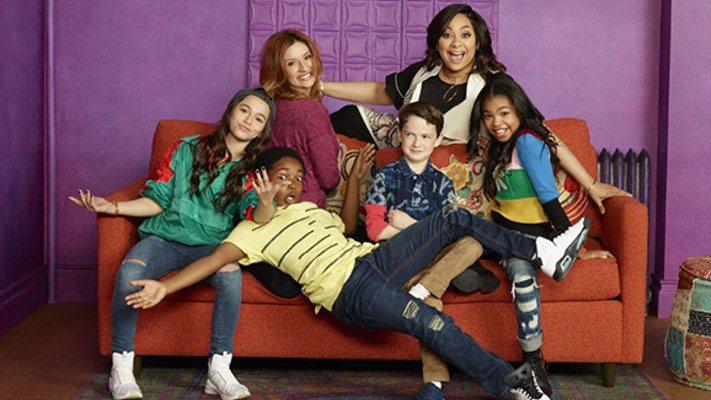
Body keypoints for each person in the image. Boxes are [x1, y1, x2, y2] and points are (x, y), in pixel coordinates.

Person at [123, 147, 594, 400]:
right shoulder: (249, 232)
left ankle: (543, 253)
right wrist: (164, 285)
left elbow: (348, 226)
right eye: (280, 177)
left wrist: (352, 182)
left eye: (296, 177)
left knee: (453, 218)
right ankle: (512, 385)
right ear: (259, 181)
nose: (291, 185)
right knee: (433, 323)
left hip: (370, 261)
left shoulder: (310, 210)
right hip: (349, 293)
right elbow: (209, 262)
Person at [68, 87, 286, 400]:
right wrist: (113, 207)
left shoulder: (254, 172)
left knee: (230, 274)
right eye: (244, 110)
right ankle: (121, 368)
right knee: (129, 273)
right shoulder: (186, 148)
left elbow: (258, 217)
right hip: (164, 239)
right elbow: (157, 200)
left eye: (259, 119)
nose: (248, 120)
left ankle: (219, 370)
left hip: (210, 248)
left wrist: (265, 201)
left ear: (263, 131)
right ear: (231, 110)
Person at [323, 3, 627, 213]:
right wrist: (321, 88)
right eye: (447, 35)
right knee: (344, 117)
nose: (456, 44)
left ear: (478, 42)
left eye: (465, 35)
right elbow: (381, 91)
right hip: (408, 143)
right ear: (437, 42)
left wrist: (591, 184)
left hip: (452, 169)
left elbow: (540, 133)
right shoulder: (423, 72)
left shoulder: (493, 83)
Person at [455, 73, 615, 396]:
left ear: (519, 109)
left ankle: (533, 361)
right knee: (462, 238)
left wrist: (576, 248)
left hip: (530, 240)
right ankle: (473, 271)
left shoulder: (528, 141)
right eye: (488, 116)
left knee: (521, 275)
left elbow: (548, 197)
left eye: (504, 113)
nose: (496, 123)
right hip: (502, 232)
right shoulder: (499, 146)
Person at [364, 101, 500, 399]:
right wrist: (421, 232)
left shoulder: (442, 183)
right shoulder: (385, 177)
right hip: (399, 259)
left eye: (425, 136)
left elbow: (452, 236)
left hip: (435, 260)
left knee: (473, 243)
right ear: (400, 135)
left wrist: (409, 224)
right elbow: (374, 230)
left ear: (438, 140)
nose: (417, 143)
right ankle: (435, 383)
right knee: (431, 306)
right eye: (410, 134)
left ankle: (426, 286)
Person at [260, 29, 341, 208]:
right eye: (292, 63)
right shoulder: (311, 110)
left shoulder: (271, 106)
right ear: (278, 70)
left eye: (307, 57)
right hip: (305, 207)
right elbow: (329, 179)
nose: (304, 68)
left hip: (272, 206)